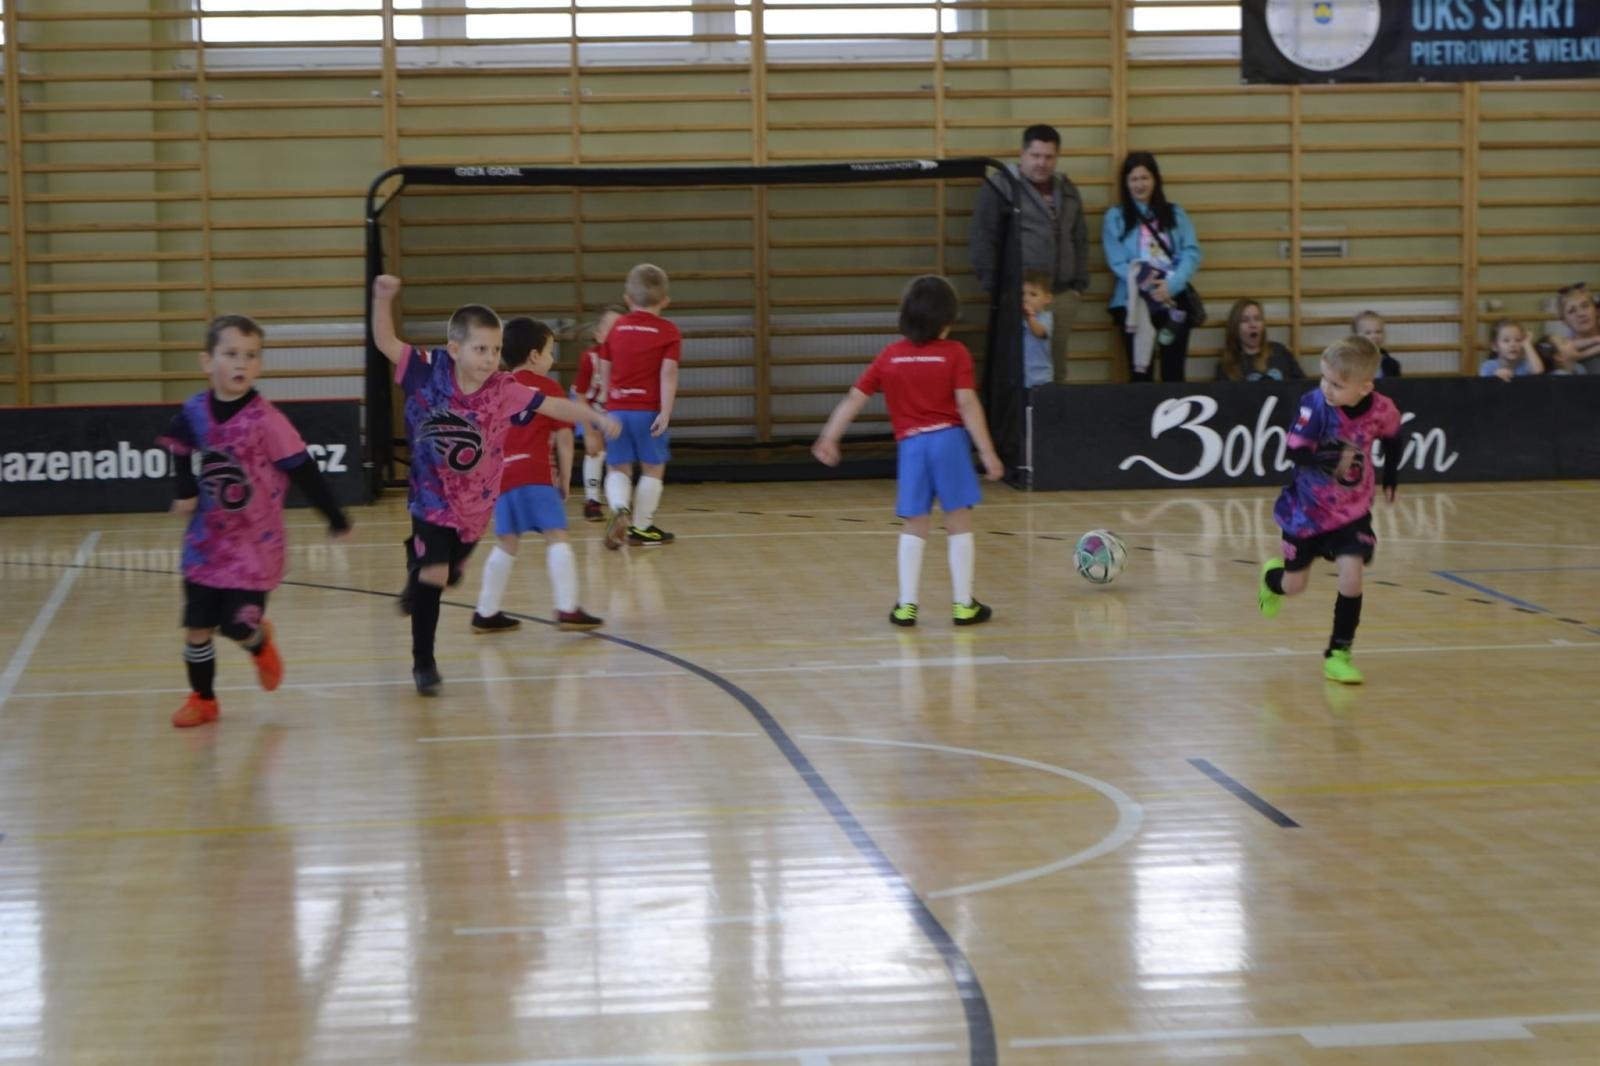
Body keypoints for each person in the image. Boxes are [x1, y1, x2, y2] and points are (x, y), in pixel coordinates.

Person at [370, 274, 617, 695]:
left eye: (496, 350)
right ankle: (424, 662)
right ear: (455, 349)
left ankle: (419, 563)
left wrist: (592, 416)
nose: (489, 359)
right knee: (435, 573)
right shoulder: (429, 370)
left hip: (476, 506)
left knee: (448, 574)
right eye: (480, 349)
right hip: (431, 497)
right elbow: (385, 341)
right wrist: (382, 299)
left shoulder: (504, 388)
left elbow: (553, 406)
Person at [157, 314, 351, 728]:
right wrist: (184, 489)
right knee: (197, 628)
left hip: (254, 549)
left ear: (259, 366)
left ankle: (259, 642)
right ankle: (203, 699)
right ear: (207, 361)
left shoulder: (267, 421)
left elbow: (304, 470)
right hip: (206, 544)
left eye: (250, 356)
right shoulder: (194, 411)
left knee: (235, 626)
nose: (241, 363)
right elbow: (178, 445)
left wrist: (335, 516)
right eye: (231, 354)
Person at [811, 275, 1005, 627]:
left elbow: (855, 397)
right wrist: (987, 451)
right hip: (949, 442)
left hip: (912, 447)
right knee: (958, 520)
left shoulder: (891, 356)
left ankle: (906, 605)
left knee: (915, 524)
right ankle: (963, 605)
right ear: (947, 320)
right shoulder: (956, 353)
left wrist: (830, 436)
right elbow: (967, 403)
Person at [1257, 335, 1403, 685]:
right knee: (1294, 585)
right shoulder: (1315, 406)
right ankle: (1271, 579)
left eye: (1337, 384)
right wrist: (1329, 457)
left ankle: (1338, 654)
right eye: (1324, 378)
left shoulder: (1382, 409)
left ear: (1365, 387)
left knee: (1352, 577)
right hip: (1305, 512)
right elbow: (1294, 451)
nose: (1327, 388)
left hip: (1352, 512)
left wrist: (1392, 475)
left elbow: (1394, 438)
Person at [472, 317, 604, 634]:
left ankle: (485, 612)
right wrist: (565, 478)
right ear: (534, 356)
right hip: (535, 472)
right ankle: (568, 608)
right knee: (556, 536)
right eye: (549, 352)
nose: (552, 359)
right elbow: (564, 438)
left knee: (506, 543)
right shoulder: (549, 389)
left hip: (502, 476)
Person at [967, 124, 1089, 383]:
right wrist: (996, 289)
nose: (1042, 163)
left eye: (1049, 157)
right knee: (1016, 367)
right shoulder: (1001, 186)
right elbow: (982, 238)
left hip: (1061, 294)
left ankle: (1053, 410)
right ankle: (1017, 412)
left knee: (1055, 367)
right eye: (1035, 155)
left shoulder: (1067, 190)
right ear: (1022, 154)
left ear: (1057, 157)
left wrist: (1078, 284)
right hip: (1017, 295)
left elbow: (1080, 238)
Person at [597, 263, 680, 549]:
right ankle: (642, 527)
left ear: (628, 299)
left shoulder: (616, 328)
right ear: (665, 301)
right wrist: (666, 412)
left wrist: (607, 400)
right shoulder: (668, 331)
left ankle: (619, 506)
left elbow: (604, 364)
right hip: (648, 411)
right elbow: (668, 372)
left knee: (617, 468)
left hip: (617, 410)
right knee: (653, 468)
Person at [1103, 152, 1201, 382]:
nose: (1140, 185)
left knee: (1173, 372)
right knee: (1140, 373)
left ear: (1155, 179)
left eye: (1145, 178)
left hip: (1172, 300)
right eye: (1134, 179)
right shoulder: (1115, 217)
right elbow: (1117, 261)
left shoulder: (1176, 213)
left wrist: (1171, 285)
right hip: (1133, 302)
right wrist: (1149, 285)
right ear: (1126, 183)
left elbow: (1191, 252)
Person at [572, 305, 622, 522]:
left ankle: (617, 498)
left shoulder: (629, 358)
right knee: (596, 450)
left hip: (613, 409)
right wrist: (589, 432)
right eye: (611, 329)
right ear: (599, 335)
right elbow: (580, 396)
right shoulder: (590, 358)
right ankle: (592, 500)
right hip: (587, 405)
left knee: (618, 453)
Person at [1215, 298, 1304, 382]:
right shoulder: (1226, 366)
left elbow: (1303, 386)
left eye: (1257, 319)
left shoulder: (1280, 352)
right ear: (1235, 328)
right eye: (1245, 320)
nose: (1253, 324)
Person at [1021, 270, 1055, 390]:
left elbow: (1039, 332)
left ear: (1047, 298)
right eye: (1022, 294)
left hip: (1041, 377)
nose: (1026, 298)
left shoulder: (1046, 317)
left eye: (1033, 294)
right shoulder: (1018, 318)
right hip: (1022, 376)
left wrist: (1031, 316)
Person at [1479, 318, 1545, 380]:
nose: (1513, 344)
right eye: (1506, 340)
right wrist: (1495, 376)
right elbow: (1484, 386)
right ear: (1495, 346)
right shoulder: (1489, 366)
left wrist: (1527, 343)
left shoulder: (1525, 364)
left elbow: (1538, 371)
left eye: (1518, 340)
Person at [1556, 282, 1600, 374]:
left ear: (1596, 310)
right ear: (1564, 321)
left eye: (1585, 306)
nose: (1581, 314)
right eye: (1572, 311)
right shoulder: (1562, 348)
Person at [1352, 310, 1402, 378]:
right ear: (1356, 336)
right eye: (1368, 333)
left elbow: (1396, 384)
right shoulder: (1348, 362)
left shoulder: (1392, 364)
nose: (1374, 336)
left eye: (1378, 332)